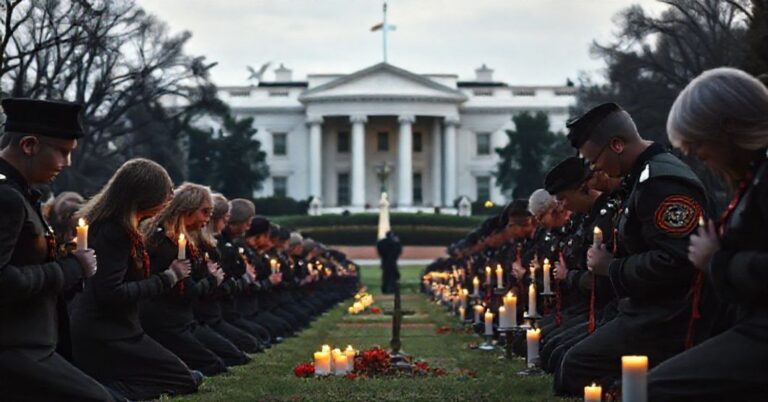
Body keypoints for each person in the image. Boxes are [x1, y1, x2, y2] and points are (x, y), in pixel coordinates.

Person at [555, 102, 711, 396]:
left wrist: (609, 267)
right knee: (570, 360)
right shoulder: (641, 179)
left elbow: (676, 261)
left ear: (616, 145)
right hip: (644, 306)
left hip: (668, 315)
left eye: (594, 160)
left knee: (577, 365)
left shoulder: (661, 182)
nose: (595, 169)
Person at [646, 67, 768, 401]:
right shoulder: (754, 174)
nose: (698, 156)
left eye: (697, 144)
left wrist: (717, 261)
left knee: (655, 389)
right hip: (748, 322)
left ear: (729, 127)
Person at [0, 98, 113, 401]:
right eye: (63, 152)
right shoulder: (7, 198)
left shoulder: (20, 194)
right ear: (29, 145)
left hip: (33, 345)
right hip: (15, 349)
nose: (67, 163)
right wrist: (72, 268)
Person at [69, 158, 200, 401]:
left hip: (122, 328)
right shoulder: (114, 232)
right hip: (107, 334)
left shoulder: (124, 228)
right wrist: (169, 277)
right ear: (143, 196)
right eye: (165, 194)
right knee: (182, 379)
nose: (170, 199)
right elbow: (112, 293)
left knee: (186, 377)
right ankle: (108, 394)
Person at [140, 183, 227, 376]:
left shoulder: (186, 241)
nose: (207, 219)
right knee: (212, 364)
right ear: (187, 210)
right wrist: (212, 280)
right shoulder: (166, 243)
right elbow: (186, 292)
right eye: (204, 212)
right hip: (166, 323)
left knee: (224, 358)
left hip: (185, 320)